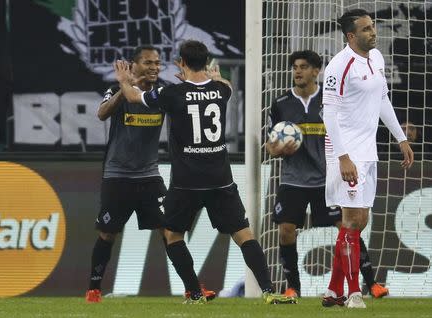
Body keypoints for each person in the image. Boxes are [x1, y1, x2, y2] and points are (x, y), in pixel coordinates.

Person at [114, 40, 295, 305]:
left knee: (173, 235)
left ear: (182, 62)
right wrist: (215, 78)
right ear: (206, 62)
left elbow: (132, 97)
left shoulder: (171, 93)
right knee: (244, 234)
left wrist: (122, 80)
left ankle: (195, 293)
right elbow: (228, 87)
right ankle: (268, 291)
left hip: (186, 182)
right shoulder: (221, 89)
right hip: (220, 179)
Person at [85, 45, 215, 303]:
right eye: (148, 63)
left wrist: (191, 85)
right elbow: (101, 114)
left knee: (170, 230)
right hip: (117, 175)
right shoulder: (116, 89)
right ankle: (94, 289)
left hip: (149, 176)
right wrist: (125, 88)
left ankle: (192, 288)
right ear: (134, 66)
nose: (155, 67)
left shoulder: (162, 93)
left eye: (157, 63)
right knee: (107, 233)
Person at [266, 50, 389, 300]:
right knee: (286, 230)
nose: (297, 71)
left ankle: (371, 282)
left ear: (316, 71)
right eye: (294, 67)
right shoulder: (280, 104)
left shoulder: (331, 98)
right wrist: (277, 148)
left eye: (303, 67)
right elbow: (270, 145)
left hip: (328, 177)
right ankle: (293, 287)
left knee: (348, 227)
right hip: (294, 179)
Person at [321, 9, 413, 308]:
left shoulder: (376, 58)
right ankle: (352, 293)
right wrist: (343, 157)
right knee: (352, 219)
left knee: (360, 221)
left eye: (373, 27)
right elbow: (330, 115)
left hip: (367, 150)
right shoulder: (339, 66)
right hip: (344, 150)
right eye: (366, 29)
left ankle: (333, 291)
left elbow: (382, 99)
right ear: (351, 36)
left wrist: (400, 138)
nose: (373, 32)